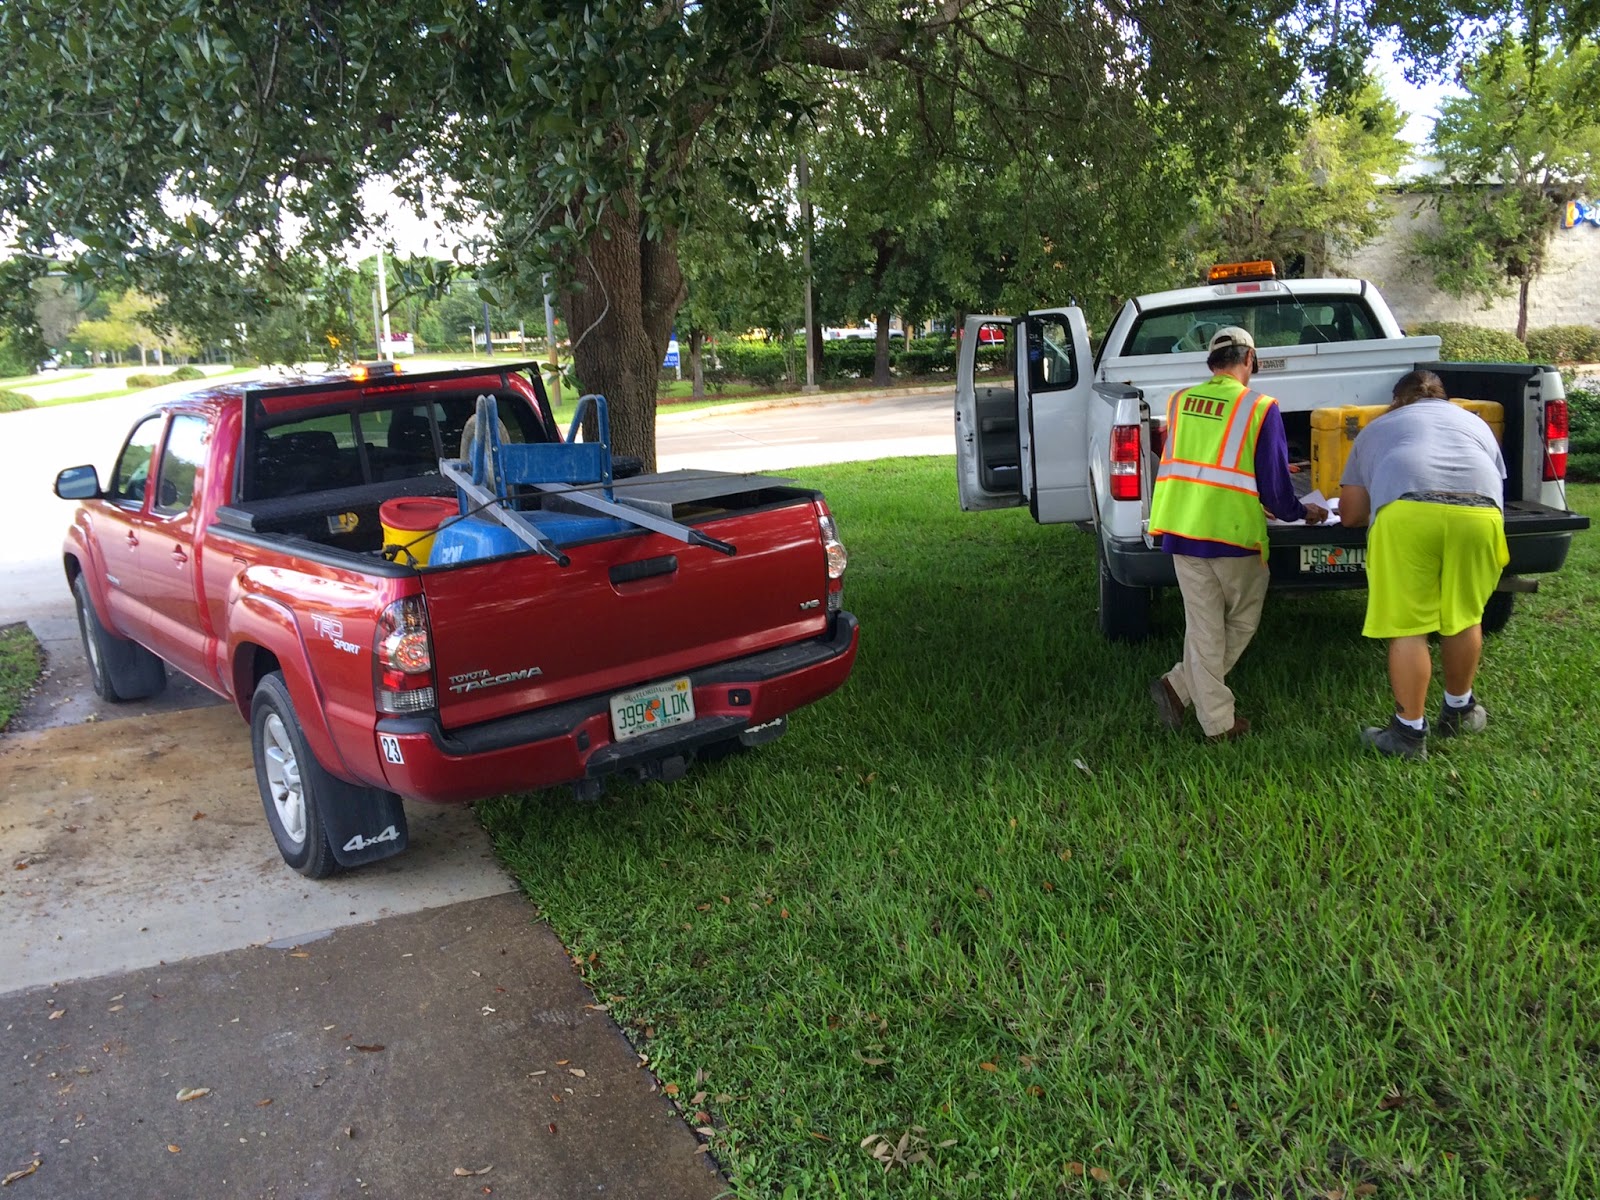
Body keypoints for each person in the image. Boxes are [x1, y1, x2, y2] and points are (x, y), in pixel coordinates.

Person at [1147, 327, 1327, 740]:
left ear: (1212, 362)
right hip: (1233, 536)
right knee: (1241, 622)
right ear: (1250, 360)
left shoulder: (1180, 401)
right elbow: (1276, 490)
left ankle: (1195, 703)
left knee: (1203, 628)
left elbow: (1202, 462)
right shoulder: (1260, 407)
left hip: (1182, 529)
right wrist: (1304, 512)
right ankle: (1190, 698)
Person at [1339, 369, 1508, 760]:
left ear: (1396, 401)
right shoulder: (1476, 424)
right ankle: (1460, 710)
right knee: (1465, 615)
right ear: (1443, 398)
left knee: (1408, 626)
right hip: (1480, 515)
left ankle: (1408, 734)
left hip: (1408, 514)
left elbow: (1350, 514)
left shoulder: (1377, 428)